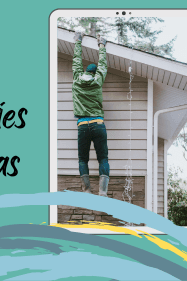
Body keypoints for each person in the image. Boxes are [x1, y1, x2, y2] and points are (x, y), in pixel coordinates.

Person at [71, 31, 110, 197]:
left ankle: (86, 191)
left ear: (85, 72)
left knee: (82, 159)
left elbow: (76, 61)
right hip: (98, 124)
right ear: (94, 73)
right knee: (103, 159)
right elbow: (103, 64)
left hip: (82, 126)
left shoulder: (77, 78)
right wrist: (101, 44)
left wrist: (78, 41)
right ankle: (103, 192)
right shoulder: (98, 80)